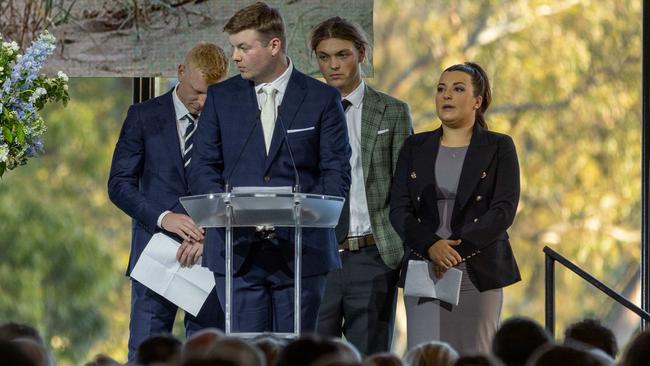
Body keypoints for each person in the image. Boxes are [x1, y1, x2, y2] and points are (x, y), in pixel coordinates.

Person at [188, 2, 351, 333]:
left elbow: (335, 172)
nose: (235, 57)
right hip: (238, 252)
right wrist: (224, 210)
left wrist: (308, 215)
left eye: (244, 48)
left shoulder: (321, 98)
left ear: (274, 45)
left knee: (296, 355)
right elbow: (202, 167)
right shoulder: (222, 97)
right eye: (234, 47)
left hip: (301, 252)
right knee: (245, 355)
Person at [107, 42, 229, 360]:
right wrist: (164, 218)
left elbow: (237, 188)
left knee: (210, 357)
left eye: (211, 95)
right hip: (154, 258)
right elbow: (119, 185)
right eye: (198, 92)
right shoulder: (143, 116)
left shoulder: (230, 124)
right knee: (146, 355)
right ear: (180, 73)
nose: (204, 102)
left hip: (209, 258)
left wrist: (210, 237)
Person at [389, 62, 521, 354]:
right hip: (424, 268)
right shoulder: (414, 146)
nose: (446, 95)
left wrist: (454, 252)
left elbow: (503, 210)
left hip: (477, 270)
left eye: (458, 89)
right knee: (425, 355)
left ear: (478, 100)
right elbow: (398, 209)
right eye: (441, 89)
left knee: (474, 354)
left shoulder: (499, 147)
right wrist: (431, 246)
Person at [310, 17, 412, 355]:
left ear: (361, 53)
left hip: (373, 256)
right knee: (311, 356)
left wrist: (397, 251)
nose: (333, 65)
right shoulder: (301, 112)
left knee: (371, 357)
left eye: (342, 54)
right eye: (324, 57)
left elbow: (405, 186)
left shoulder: (393, 112)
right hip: (318, 255)